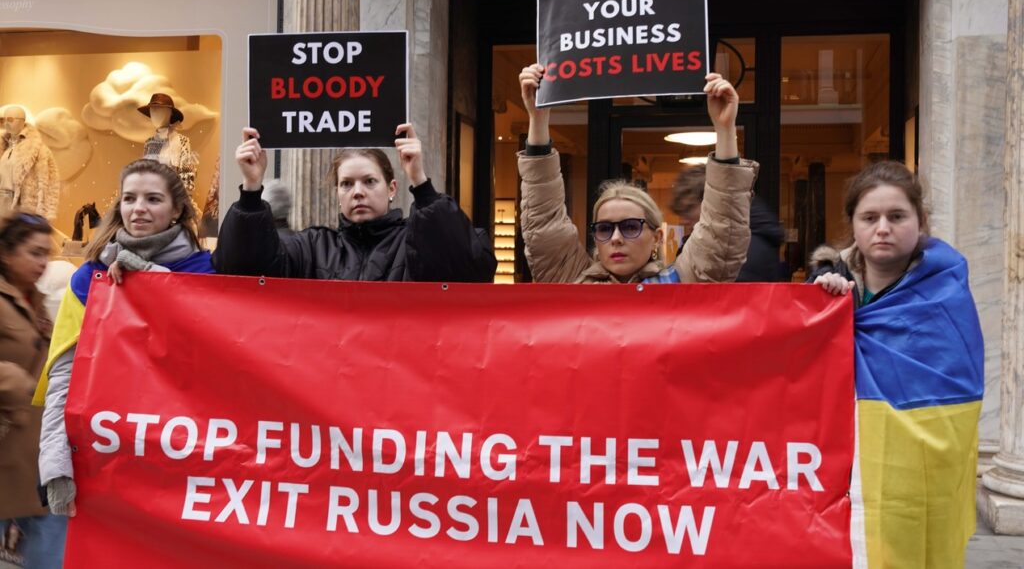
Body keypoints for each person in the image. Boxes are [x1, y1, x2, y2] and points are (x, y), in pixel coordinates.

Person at [809, 161, 984, 567]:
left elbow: (959, 389)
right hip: (842, 470)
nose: (882, 228)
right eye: (869, 217)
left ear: (921, 221)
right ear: (852, 224)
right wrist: (824, 309)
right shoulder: (825, 288)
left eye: (897, 216)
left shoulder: (946, 293)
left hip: (920, 474)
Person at [35, 159, 214, 525]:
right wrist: (55, 464)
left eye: (153, 199)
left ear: (177, 208)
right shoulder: (88, 279)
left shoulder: (207, 273)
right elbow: (64, 377)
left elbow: (215, 357)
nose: (139, 209)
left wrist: (155, 283)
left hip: (186, 455)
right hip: (108, 454)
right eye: (130, 199)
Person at [517, 64, 757, 284]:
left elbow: (722, 231)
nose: (616, 238)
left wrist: (725, 130)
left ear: (657, 237)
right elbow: (544, 225)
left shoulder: (681, 284)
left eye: (631, 227)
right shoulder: (572, 281)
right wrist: (537, 120)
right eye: (604, 229)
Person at [214, 123, 497, 282]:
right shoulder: (312, 248)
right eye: (347, 184)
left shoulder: (416, 241)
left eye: (369, 181)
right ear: (337, 194)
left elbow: (469, 268)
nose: (357, 192)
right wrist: (251, 189)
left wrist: (421, 183)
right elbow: (242, 270)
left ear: (392, 189)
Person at [0, 212, 65, 569]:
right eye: (34, 253)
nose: (43, 263)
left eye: (46, 254)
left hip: (35, 454)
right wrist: (15, 382)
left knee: (51, 552)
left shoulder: (37, 301)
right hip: (8, 446)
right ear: (7, 254)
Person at [670, 163, 785, 281]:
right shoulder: (740, 240)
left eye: (689, 208)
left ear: (711, 201)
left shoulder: (742, 250)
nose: (683, 220)